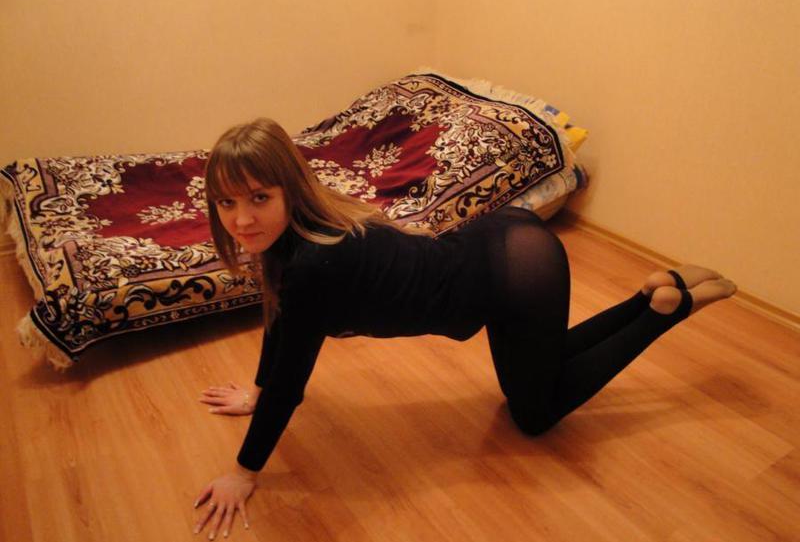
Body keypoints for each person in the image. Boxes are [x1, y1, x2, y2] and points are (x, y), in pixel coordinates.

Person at [191, 117, 737, 538]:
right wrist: (257, 391)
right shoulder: (300, 236)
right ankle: (651, 295)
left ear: (290, 189)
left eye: (259, 198)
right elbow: (280, 321)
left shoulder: (314, 266)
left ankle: (664, 312)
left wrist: (245, 471)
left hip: (514, 275)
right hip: (499, 242)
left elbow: (291, 383)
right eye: (227, 203)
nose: (242, 220)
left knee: (535, 414)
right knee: (543, 367)